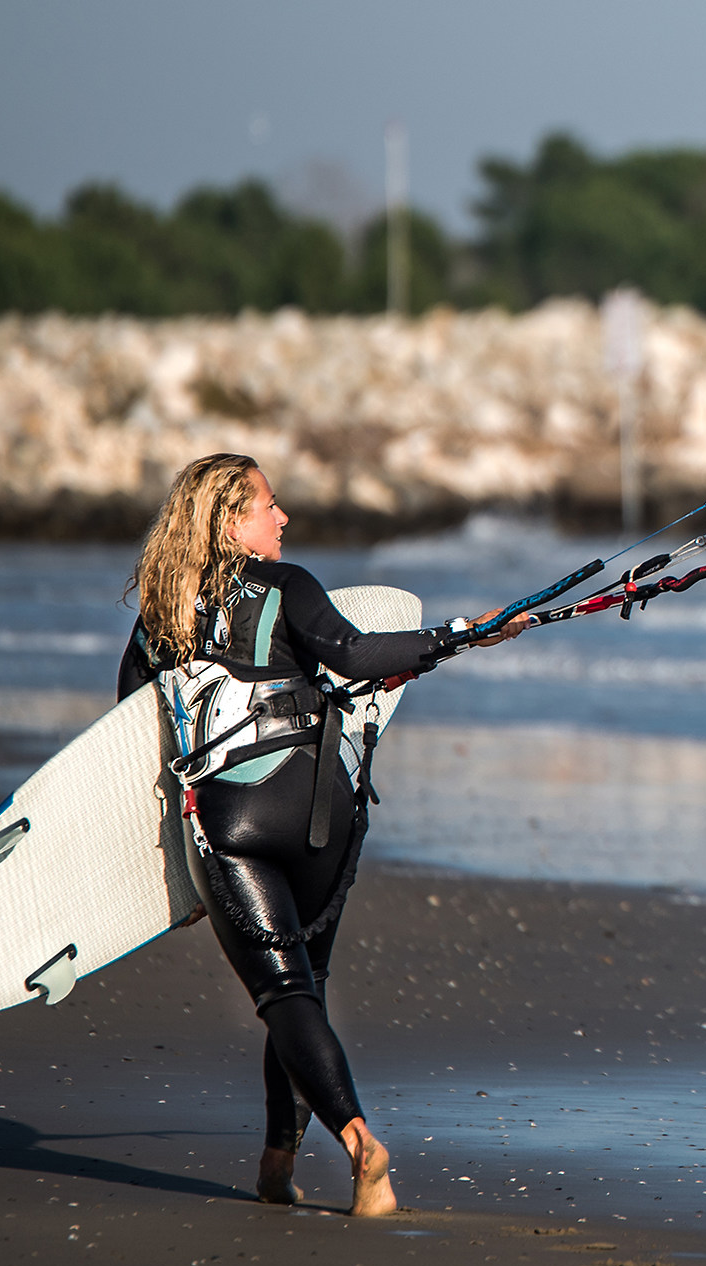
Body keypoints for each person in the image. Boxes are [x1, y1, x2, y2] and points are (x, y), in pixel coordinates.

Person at [117, 453, 525, 1215]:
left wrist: (173, 867)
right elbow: (357, 655)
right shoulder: (288, 586)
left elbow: (132, 724)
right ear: (232, 521)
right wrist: (462, 635)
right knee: (308, 987)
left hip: (234, 819)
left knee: (283, 991)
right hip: (323, 813)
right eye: (269, 505)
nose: (283, 519)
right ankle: (276, 1163)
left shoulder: (162, 612)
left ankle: (362, 1145)